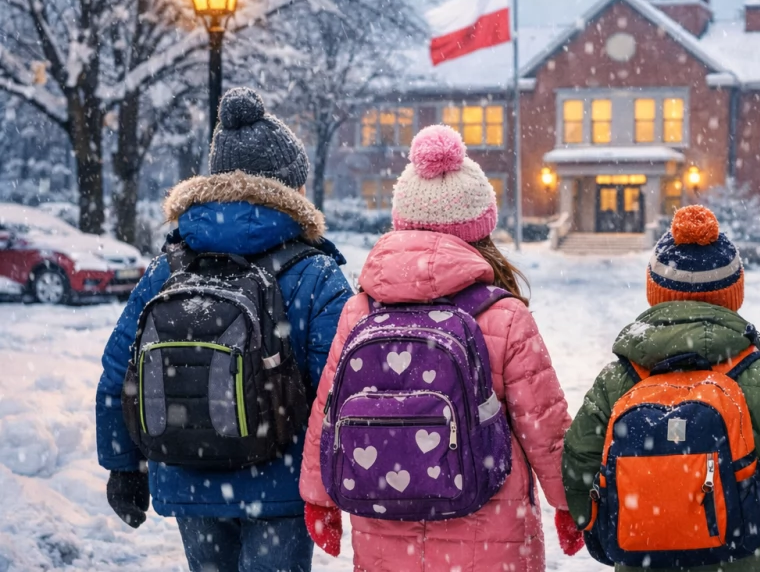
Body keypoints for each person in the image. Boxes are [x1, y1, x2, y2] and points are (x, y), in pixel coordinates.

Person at [298, 124, 579, 571]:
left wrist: (318, 497)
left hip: (383, 520)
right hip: (490, 525)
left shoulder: (362, 310)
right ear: (480, 229)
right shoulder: (503, 314)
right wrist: (570, 502)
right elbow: (543, 423)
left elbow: (327, 411)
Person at [95, 87, 353, 572]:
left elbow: (118, 369)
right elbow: (338, 388)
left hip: (187, 470)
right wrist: (346, 475)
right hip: (280, 482)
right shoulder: (314, 271)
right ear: (290, 189)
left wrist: (121, 464)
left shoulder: (168, 266)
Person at [562, 205, 760, 572]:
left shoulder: (619, 378)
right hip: (747, 556)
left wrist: (589, 521)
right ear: (733, 295)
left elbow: (580, 458)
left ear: (655, 292)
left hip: (645, 554)